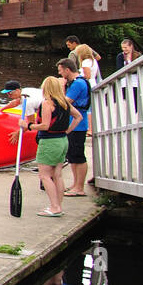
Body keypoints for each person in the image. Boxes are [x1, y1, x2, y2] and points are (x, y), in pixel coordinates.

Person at [13, 76, 81, 216]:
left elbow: (45, 125)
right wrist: (67, 131)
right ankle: (58, 206)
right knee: (57, 175)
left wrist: (28, 125)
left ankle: (55, 207)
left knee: (44, 175)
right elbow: (78, 116)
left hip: (50, 142)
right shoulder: (65, 102)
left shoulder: (47, 104)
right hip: (62, 140)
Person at [57, 58, 91, 196]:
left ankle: (79, 187)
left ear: (67, 69)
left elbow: (65, 102)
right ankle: (76, 184)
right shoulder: (77, 82)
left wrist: (61, 87)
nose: (60, 74)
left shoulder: (77, 84)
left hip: (77, 125)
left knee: (78, 155)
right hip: (74, 124)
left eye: (60, 71)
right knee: (72, 155)